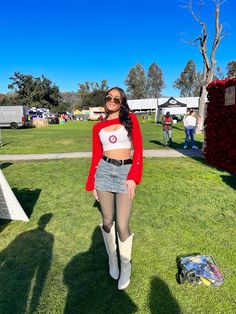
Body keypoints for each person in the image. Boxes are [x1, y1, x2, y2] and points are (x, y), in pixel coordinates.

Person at [86, 87, 143, 290]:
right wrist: (92, 182)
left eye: (116, 99)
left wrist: (133, 178)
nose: (112, 100)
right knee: (107, 221)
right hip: (103, 172)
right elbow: (95, 156)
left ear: (122, 102)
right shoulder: (97, 128)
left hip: (124, 173)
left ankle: (125, 265)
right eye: (109, 97)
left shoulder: (131, 121)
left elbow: (138, 152)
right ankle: (113, 259)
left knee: (122, 224)